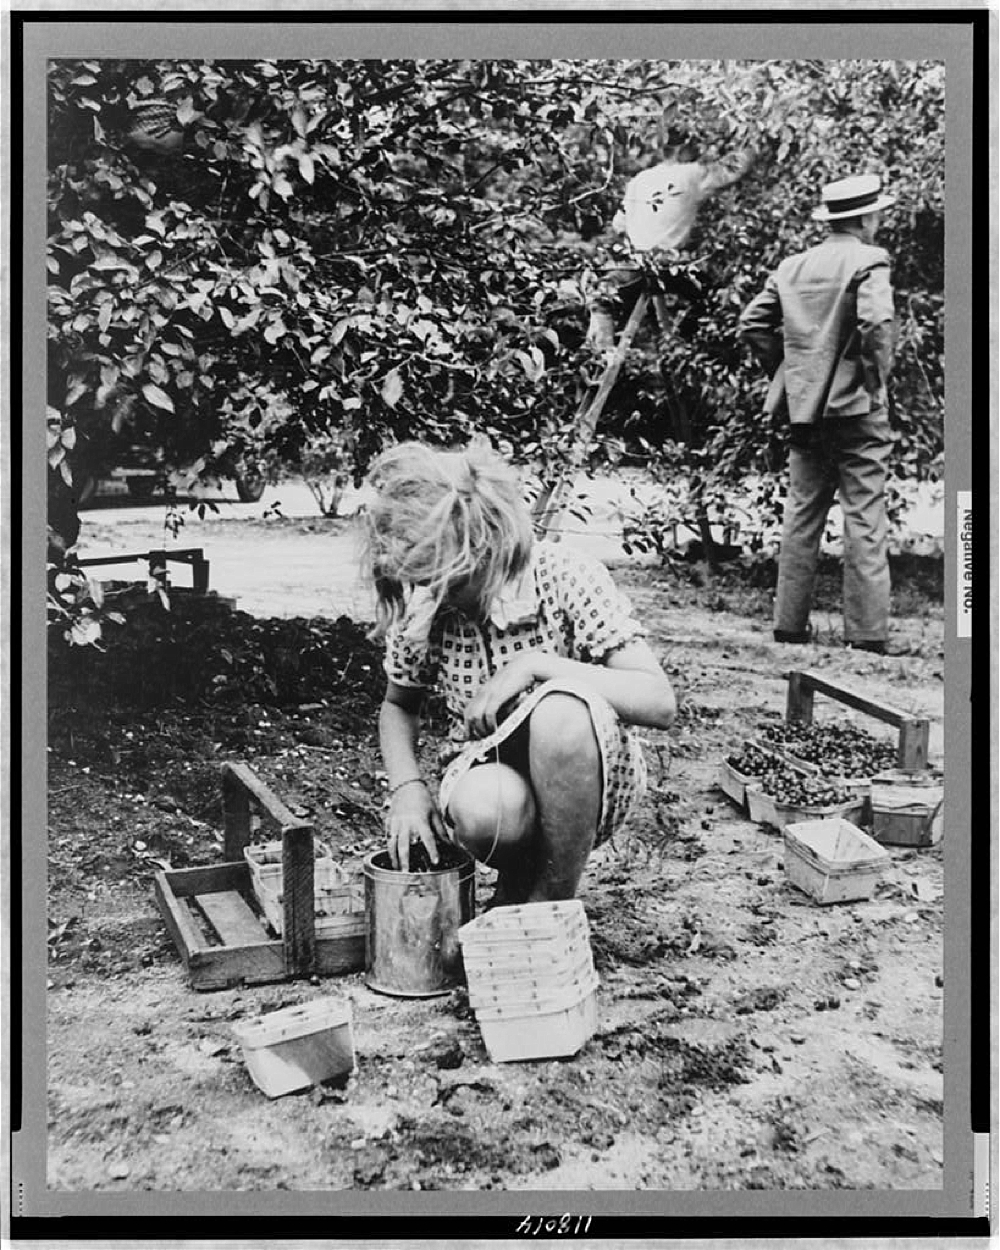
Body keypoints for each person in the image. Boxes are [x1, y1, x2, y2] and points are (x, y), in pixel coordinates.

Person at [363, 439, 676, 904]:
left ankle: (552, 902)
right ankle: (517, 882)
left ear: (490, 548)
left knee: (561, 712)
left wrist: (537, 666)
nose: (441, 594)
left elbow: (659, 702)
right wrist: (407, 789)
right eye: (428, 582)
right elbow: (398, 705)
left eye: (453, 580)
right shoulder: (428, 609)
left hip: (589, 779)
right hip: (488, 775)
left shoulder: (564, 576)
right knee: (485, 810)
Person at [738, 173, 897, 654]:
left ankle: (789, 628)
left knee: (802, 514)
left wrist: (793, 375)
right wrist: (872, 381)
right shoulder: (870, 260)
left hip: (803, 412)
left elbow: (753, 323)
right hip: (858, 412)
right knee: (865, 516)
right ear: (866, 217)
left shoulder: (793, 267)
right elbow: (876, 324)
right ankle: (866, 636)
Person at [586, 138, 755, 352]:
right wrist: (754, 140)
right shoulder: (693, 173)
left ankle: (601, 355)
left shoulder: (641, 178)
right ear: (686, 147)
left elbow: (619, 224)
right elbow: (734, 169)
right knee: (715, 298)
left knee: (602, 299)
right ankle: (683, 343)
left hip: (635, 263)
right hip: (669, 265)